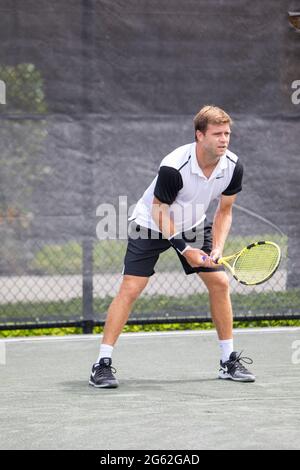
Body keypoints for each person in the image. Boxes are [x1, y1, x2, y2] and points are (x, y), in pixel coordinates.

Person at [89, 105, 255, 388]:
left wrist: (217, 246)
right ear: (199, 135)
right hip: (151, 224)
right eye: (217, 134)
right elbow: (159, 211)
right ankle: (101, 365)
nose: (224, 139)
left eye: (227, 133)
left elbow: (225, 211)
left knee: (220, 283)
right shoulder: (174, 166)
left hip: (193, 224)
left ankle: (228, 362)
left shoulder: (232, 166)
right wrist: (184, 249)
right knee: (131, 287)